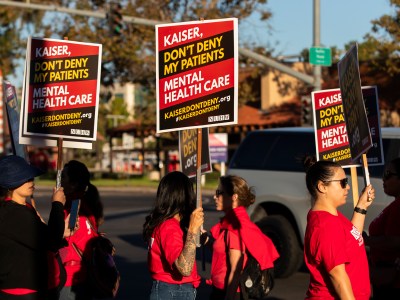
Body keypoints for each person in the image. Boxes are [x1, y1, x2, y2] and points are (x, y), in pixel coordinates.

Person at [303, 157, 375, 300]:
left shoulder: (331, 216)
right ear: (322, 187)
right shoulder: (325, 225)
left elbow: (352, 237)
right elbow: (337, 275)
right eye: (343, 182)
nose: (347, 187)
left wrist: (362, 207)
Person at [0, 155, 67, 300]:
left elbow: (42, 237)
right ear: (11, 183)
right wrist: (57, 204)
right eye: (25, 178)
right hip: (23, 291)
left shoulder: (22, 208)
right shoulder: (13, 213)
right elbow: (51, 241)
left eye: (31, 177)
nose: (31, 181)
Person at [206, 175, 279, 300]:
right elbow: (224, 252)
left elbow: (236, 270)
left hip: (228, 292)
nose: (215, 197)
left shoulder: (234, 228)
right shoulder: (235, 222)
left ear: (234, 197)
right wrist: (207, 240)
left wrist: (228, 297)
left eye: (219, 193)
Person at [143, 171, 204, 300]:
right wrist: (192, 230)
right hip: (175, 291)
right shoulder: (169, 227)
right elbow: (184, 268)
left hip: (170, 290)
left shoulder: (165, 223)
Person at [58, 160, 104, 300]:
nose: (60, 181)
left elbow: (66, 237)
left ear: (73, 184)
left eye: (63, 177)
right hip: (82, 275)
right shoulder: (84, 204)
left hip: (71, 276)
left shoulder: (73, 208)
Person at [364, 158, 400, 299]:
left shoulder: (398, 206)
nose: (383, 179)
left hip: (393, 282)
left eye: (388, 174)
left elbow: (395, 241)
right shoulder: (395, 204)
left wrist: (365, 241)